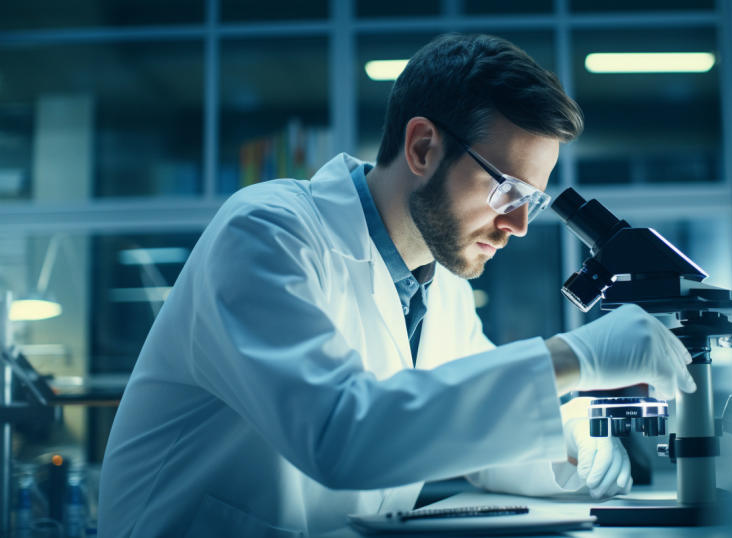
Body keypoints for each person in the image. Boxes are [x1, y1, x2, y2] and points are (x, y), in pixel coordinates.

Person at [97, 33, 696, 537]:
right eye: (506, 190)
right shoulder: (268, 233)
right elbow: (341, 434)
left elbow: (465, 432)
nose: (516, 226)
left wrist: (568, 445)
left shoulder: (442, 289)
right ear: (422, 147)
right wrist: (573, 358)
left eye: (530, 202)